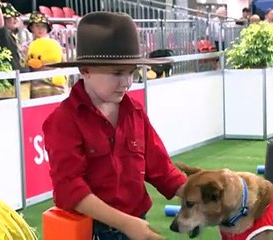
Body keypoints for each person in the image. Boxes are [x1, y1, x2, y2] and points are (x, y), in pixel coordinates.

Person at [42, 12, 187, 240]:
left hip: (136, 223)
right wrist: (127, 224)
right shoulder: (63, 121)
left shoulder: (135, 112)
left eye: (131, 72)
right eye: (117, 73)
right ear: (85, 70)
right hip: (93, 232)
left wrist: (201, 193)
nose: (127, 82)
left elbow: (161, 168)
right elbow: (69, 189)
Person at [0, 1, 28, 72]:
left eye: (15, 16)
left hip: (17, 76)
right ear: (3, 19)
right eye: (11, 17)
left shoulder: (13, 35)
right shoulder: (0, 32)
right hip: (7, 77)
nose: (15, 19)